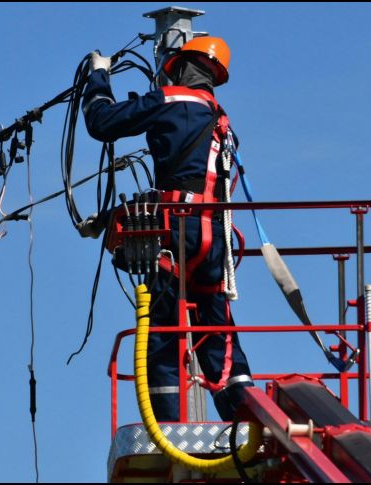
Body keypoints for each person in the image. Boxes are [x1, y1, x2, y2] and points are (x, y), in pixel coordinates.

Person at [82, 37, 254, 421]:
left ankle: (169, 426)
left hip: (176, 234)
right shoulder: (220, 121)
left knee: (163, 334)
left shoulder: (170, 101)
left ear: (177, 67)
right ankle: (245, 415)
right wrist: (111, 217)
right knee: (219, 332)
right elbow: (194, 183)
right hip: (213, 240)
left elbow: (102, 123)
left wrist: (98, 76)